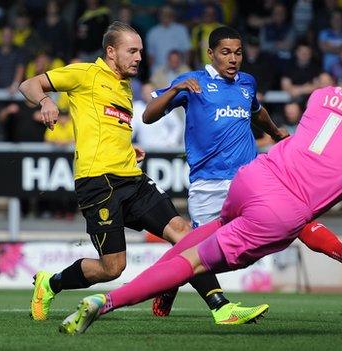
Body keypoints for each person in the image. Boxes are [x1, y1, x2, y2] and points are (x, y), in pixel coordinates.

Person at [59, 52, 342, 334]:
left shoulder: (322, 97)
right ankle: (107, 301)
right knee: (194, 261)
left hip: (253, 177)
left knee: (191, 245)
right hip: (279, 210)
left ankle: (340, 253)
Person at [18, 21, 266, 325]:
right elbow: (28, 84)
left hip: (132, 178)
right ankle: (51, 282)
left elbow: (107, 126)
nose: (138, 57)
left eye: (140, 51)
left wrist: (128, 148)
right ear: (111, 51)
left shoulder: (124, 85)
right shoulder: (85, 74)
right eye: (131, 51)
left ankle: (221, 306)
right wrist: (45, 101)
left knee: (185, 235)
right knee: (112, 268)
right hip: (98, 183)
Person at [144, 26, 342, 317]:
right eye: (225, 52)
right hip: (209, 184)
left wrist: (274, 132)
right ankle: (167, 286)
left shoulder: (247, 83)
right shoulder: (194, 82)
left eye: (237, 52)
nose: (233, 58)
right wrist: (175, 89)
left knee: (296, 217)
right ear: (210, 54)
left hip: (250, 179)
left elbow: (256, 111)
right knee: (193, 251)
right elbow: (148, 116)